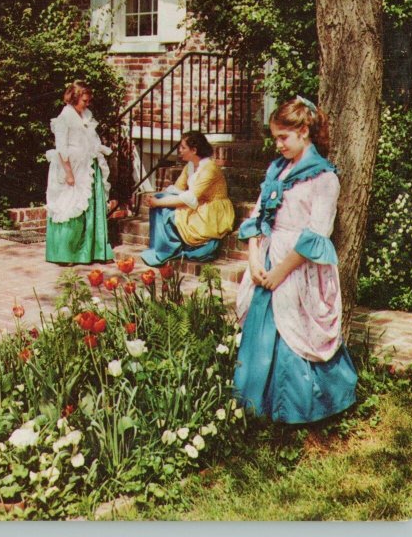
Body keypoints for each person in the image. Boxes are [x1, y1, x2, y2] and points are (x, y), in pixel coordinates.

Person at [233, 96, 357, 424]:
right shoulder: (277, 169)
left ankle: (298, 408)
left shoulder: (324, 178)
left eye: (283, 137)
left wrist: (280, 272)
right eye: (275, 137)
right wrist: (254, 258)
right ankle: (256, 404)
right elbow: (258, 216)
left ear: (304, 131)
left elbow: (318, 233)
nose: (278, 145)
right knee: (263, 325)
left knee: (294, 325)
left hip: (298, 264)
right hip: (269, 258)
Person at [141, 131, 235, 267]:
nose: (180, 150)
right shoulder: (190, 166)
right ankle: (160, 249)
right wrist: (156, 197)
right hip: (198, 203)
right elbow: (177, 189)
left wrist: (158, 202)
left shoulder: (209, 168)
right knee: (160, 200)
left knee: (166, 210)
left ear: (194, 150)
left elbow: (190, 197)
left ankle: (167, 251)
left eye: (183, 148)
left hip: (211, 210)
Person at [45, 80, 114, 264]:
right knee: (70, 207)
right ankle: (67, 253)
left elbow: (90, 139)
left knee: (88, 208)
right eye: (84, 100)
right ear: (74, 98)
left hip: (87, 166)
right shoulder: (64, 118)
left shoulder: (85, 115)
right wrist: (68, 173)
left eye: (88, 100)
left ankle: (93, 251)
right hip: (72, 168)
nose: (87, 104)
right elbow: (61, 148)